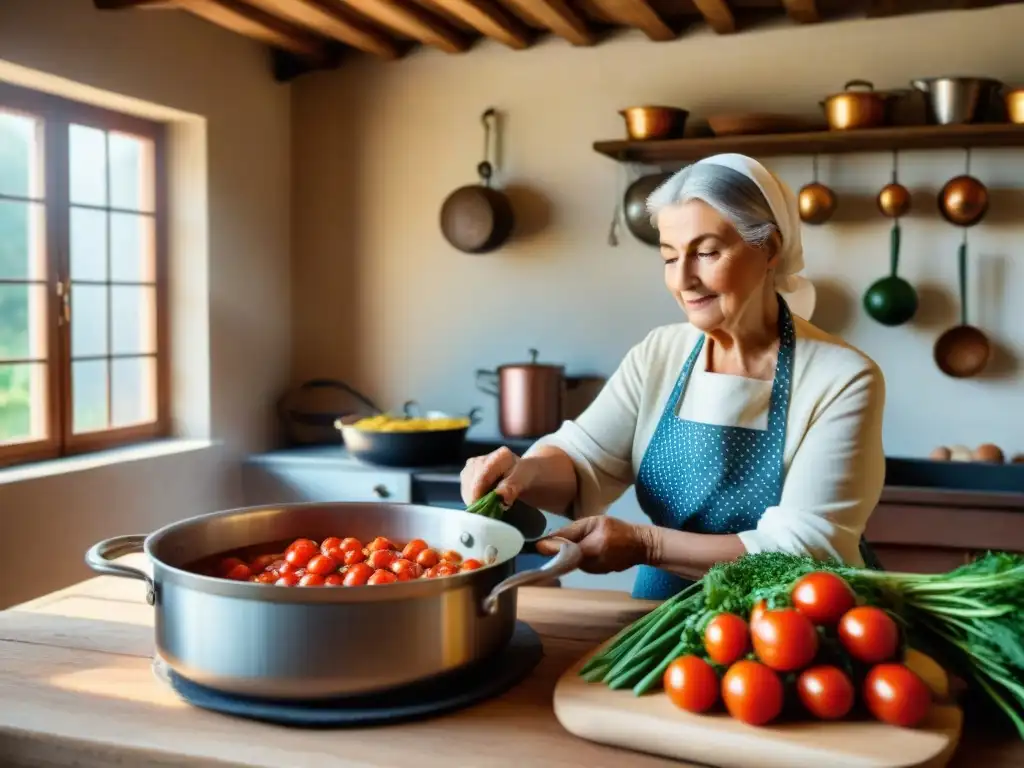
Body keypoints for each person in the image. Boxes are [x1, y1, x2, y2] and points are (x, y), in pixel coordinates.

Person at [460, 153, 887, 600]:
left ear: (770, 248)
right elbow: (585, 459)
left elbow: (808, 550)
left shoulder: (842, 378)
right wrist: (521, 475)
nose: (684, 279)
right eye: (669, 256)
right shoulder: (660, 353)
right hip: (661, 612)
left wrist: (647, 543)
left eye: (706, 253)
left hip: (793, 627)